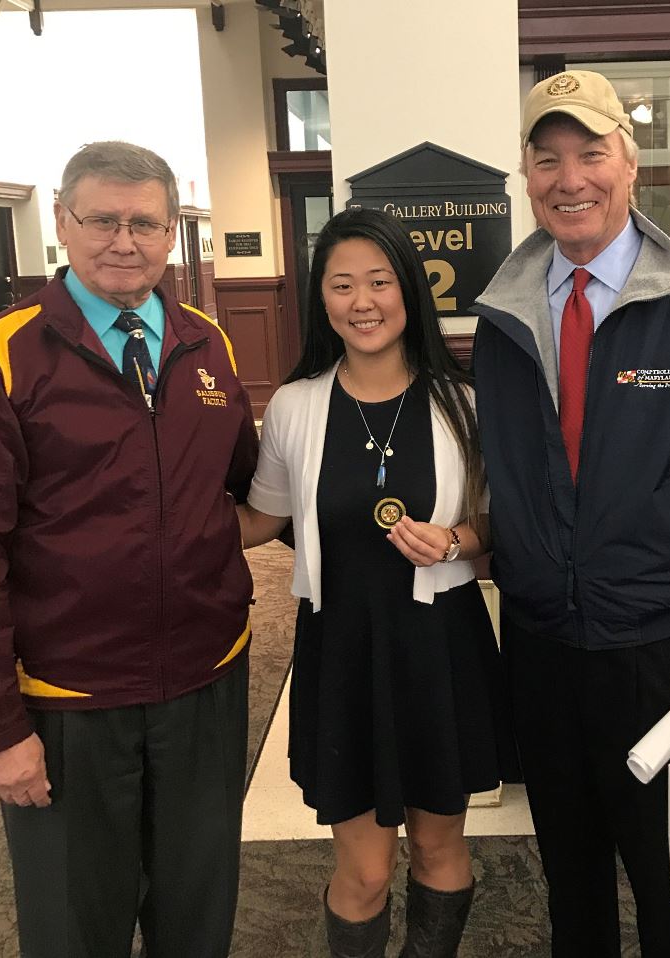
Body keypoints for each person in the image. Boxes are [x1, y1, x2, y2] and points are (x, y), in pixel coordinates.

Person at [470, 71, 670, 957]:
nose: (570, 179)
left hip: (667, 647)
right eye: (547, 160)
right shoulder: (501, 313)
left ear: (630, 162)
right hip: (541, 645)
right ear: (526, 178)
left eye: (590, 153)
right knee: (570, 883)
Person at [0, 141, 258, 958]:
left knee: (198, 923)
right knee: (74, 932)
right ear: (61, 222)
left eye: (145, 223)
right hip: (67, 703)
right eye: (102, 220)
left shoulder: (209, 348)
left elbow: (247, 492)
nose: (124, 241)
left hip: (205, 684)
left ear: (171, 232)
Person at [237, 207, 512, 958]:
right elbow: (260, 519)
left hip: (440, 652)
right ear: (321, 300)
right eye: (342, 285)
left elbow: (501, 524)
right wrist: (148, 536)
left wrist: (456, 538)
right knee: (361, 870)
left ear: (409, 291)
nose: (363, 301)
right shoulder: (295, 407)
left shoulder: (465, 401)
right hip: (343, 654)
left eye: (380, 282)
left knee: (439, 851)